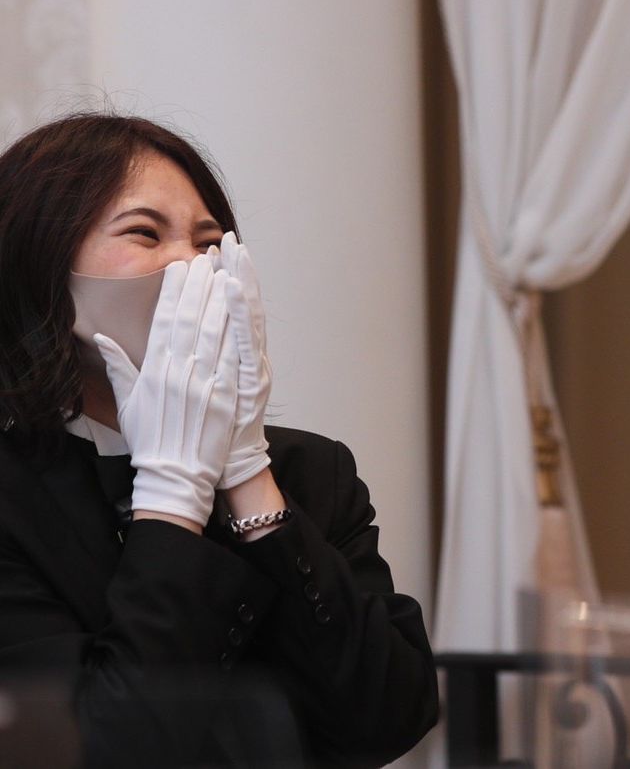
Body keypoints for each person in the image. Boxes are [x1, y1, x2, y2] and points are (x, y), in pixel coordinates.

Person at [0, 113, 438, 767]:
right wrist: (172, 493)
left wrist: (245, 469)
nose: (191, 264)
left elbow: (387, 720)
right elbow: (102, 747)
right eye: (145, 233)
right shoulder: (13, 492)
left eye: (210, 242)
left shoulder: (309, 469)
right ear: (40, 264)